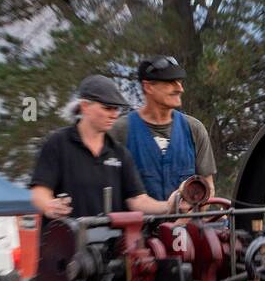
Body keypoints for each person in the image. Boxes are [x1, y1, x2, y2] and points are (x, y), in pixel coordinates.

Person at [30, 74, 187, 226]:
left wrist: (169, 206)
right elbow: (39, 193)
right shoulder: (58, 143)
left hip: (109, 248)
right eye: (108, 108)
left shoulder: (119, 152)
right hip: (65, 246)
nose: (114, 114)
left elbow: (137, 200)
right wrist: (49, 206)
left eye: (117, 109)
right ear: (85, 106)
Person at [112, 55, 217, 202]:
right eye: (170, 82)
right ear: (148, 87)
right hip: (137, 225)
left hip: (186, 224)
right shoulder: (120, 131)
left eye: (180, 82)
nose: (180, 88)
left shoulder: (194, 129)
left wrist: (184, 220)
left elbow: (208, 188)